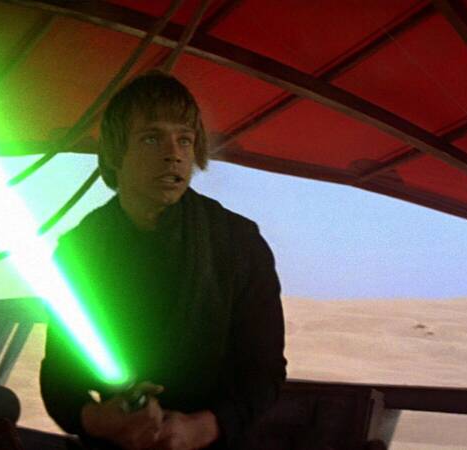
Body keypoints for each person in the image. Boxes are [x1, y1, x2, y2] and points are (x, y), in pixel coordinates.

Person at [40, 70, 286, 450]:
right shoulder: (80, 250)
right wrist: (99, 421)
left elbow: (264, 374)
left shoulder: (239, 244)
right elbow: (58, 377)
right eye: (152, 138)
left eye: (184, 139)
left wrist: (202, 428)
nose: (174, 154)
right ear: (116, 153)